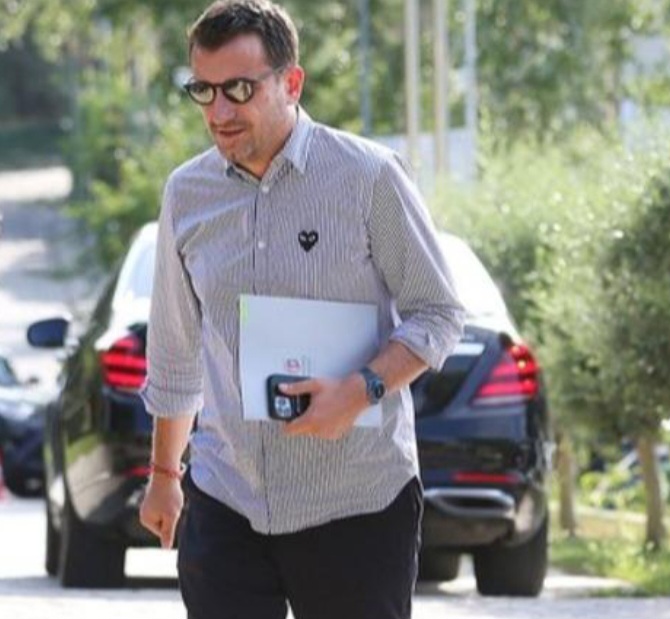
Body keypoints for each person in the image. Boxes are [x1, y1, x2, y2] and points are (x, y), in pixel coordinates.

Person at [136, 1, 465, 618]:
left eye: (240, 89)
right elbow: (177, 350)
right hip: (227, 498)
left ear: (291, 82)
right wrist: (164, 475)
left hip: (357, 503)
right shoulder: (187, 194)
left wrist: (361, 389)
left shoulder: (369, 177)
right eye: (204, 91)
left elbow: (438, 312)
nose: (220, 112)